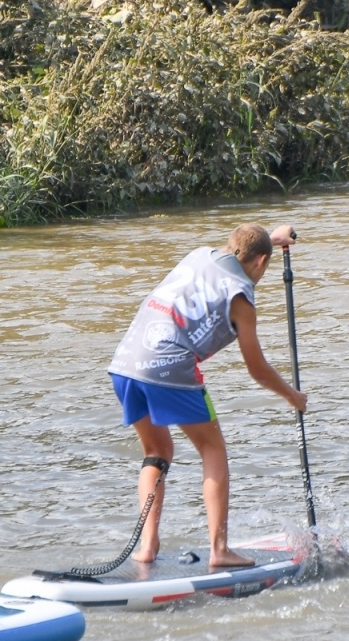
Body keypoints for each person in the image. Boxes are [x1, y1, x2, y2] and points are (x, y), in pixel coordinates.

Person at [107, 222, 308, 568]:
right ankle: (220, 550)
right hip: (167, 366)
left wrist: (270, 240)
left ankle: (147, 547)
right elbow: (256, 368)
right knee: (212, 448)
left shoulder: (201, 254)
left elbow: (238, 249)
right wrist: (292, 396)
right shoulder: (242, 297)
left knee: (157, 451)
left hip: (124, 363)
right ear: (261, 262)